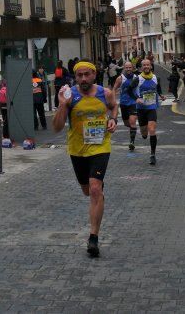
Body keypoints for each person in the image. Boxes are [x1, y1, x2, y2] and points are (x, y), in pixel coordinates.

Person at [52, 60, 118, 257]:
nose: (83, 79)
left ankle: (93, 238)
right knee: (87, 191)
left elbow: (114, 106)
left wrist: (113, 119)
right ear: (75, 77)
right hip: (77, 149)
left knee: (95, 188)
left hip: (100, 146)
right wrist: (63, 104)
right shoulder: (70, 96)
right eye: (79, 76)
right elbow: (56, 127)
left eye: (86, 75)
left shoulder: (104, 93)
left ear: (93, 75)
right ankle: (98, 196)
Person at [128, 59, 165, 165]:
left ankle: (153, 154)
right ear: (141, 67)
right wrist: (136, 98)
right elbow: (129, 90)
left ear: (151, 66)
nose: (146, 66)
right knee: (144, 133)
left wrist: (161, 95)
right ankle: (144, 134)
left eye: (148, 65)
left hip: (152, 107)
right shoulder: (137, 79)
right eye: (144, 65)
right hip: (141, 109)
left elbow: (158, 88)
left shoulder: (156, 78)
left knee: (152, 129)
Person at [113, 62, 138, 151]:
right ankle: (133, 128)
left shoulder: (136, 78)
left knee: (132, 121)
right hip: (123, 103)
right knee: (127, 123)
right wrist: (113, 100)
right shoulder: (120, 78)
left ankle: (132, 142)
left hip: (133, 102)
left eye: (130, 67)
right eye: (126, 67)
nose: (128, 69)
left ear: (132, 68)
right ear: (124, 68)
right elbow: (114, 89)